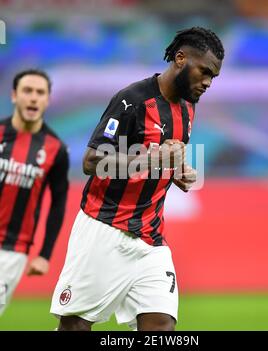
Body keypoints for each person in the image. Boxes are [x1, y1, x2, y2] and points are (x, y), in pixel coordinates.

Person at [51, 27, 224, 331]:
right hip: (104, 229)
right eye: (205, 72)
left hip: (150, 239)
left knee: (161, 327)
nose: (208, 82)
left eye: (213, 77)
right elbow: (91, 161)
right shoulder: (132, 100)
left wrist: (183, 171)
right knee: (75, 326)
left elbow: (172, 155)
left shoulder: (188, 106)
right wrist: (150, 160)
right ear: (181, 59)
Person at [0, 69, 69, 315]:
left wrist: (45, 254)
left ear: (47, 100)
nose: (33, 98)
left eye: (40, 93)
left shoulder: (56, 148)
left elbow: (58, 203)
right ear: (14, 96)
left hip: (12, 250)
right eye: (27, 91)